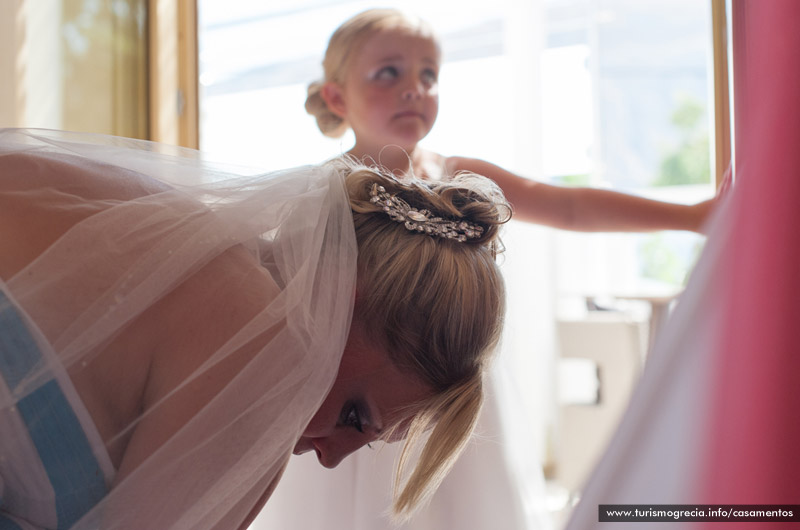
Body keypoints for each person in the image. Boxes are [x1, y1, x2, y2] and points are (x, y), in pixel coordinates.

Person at [0, 128, 510, 529]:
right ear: (350, 297)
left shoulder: (138, 207)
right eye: (356, 416)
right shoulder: (266, 347)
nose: (331, 456)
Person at [305, 8, 715, 232]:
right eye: (389, 72)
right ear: (337, 97)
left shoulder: (458, 175)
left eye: (429, 74)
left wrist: (692, 217)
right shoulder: (318, 192)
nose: (416, 87)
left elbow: (570, 208)